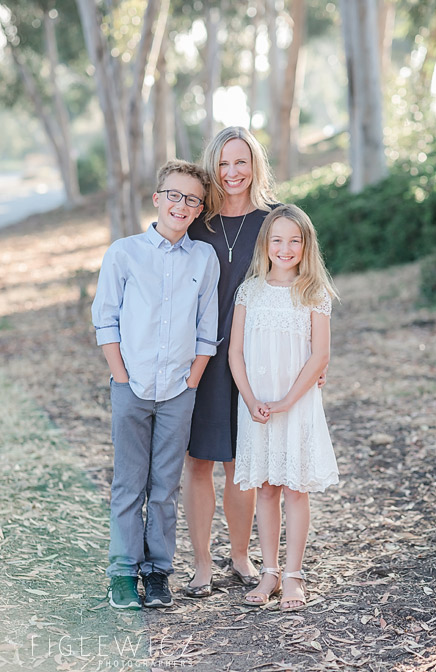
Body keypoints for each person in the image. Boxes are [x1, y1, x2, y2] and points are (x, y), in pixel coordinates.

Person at [92, 160, 219, 609]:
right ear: (157, 198)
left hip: (178, 391)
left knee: (164, 486)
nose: (181, 205)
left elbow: (208, 328)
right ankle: (123, 573)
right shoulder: (124, 253)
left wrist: (192, 381)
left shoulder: (203, 259)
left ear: (199, 208)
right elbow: (105, 320)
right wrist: (122, 378)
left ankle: (158, 571)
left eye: (192, 199)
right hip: (132, 386)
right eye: (174, 195)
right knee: (129, 484)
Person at [182, 126, 278, 596]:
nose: (232, 172)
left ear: (255, 164)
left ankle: (240, 557)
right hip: (198, 357)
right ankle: (201, 564)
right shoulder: (197, 223)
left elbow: (303, 290)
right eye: (223, 163)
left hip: (253, 360)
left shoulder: (276, 221)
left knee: (241, 464)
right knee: (198, 461)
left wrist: (315, 362)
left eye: (240, 161)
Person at [229, 204, 339, 611]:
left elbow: (320, 356)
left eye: (295, 240)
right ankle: (269, 571)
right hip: (256, 403)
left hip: (296, 402)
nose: (286, 247)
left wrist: (288, 401)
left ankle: (293, 575)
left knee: (295, 487)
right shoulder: (250, 291)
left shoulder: (314, 294)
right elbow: (235, 353)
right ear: (266, 245)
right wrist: (251, 399)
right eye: (278, 239)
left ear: (306, 245)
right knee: (267, 488)